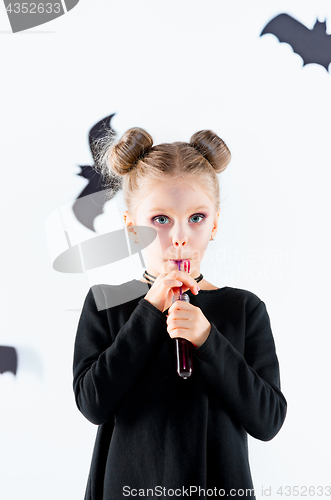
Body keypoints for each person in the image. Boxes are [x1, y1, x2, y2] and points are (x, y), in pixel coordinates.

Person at [72, 127, 287, 500]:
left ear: (215, 223)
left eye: (197, 217)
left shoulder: (244, 308)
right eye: (160, 220)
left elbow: (267, 420)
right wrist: (149, 311)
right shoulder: (105, 302)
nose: (180, 236)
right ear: (131, 226)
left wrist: (208, 340)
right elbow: (93, 403)